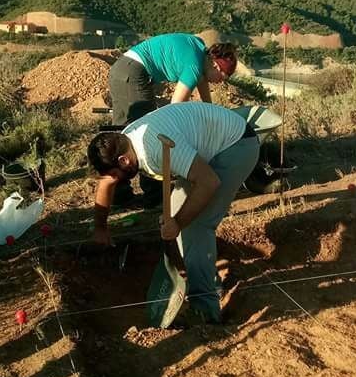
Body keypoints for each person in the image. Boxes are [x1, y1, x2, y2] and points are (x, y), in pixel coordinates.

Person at [87, 102, 259, 324]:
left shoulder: (155, 148)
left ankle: (205, 309)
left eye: (115, 173)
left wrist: (177, 223)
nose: (116, 180)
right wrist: (100, 227)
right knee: (180, 213)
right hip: (205, 149)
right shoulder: (122, 143)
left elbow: (208, 181)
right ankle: (208, 279)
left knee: (196, 225)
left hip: (235, 146)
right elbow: (106, 183)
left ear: (123, 161)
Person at [108, 33, 238, 126]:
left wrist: (212, 114)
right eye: (222, 78)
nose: (220, 82)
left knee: (120, 127)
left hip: (121, 67)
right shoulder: (194, 68)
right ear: (215, 65)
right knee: (146, 126)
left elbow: (202, 81)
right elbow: (175, 107)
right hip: (134, 73)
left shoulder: (199, 47)